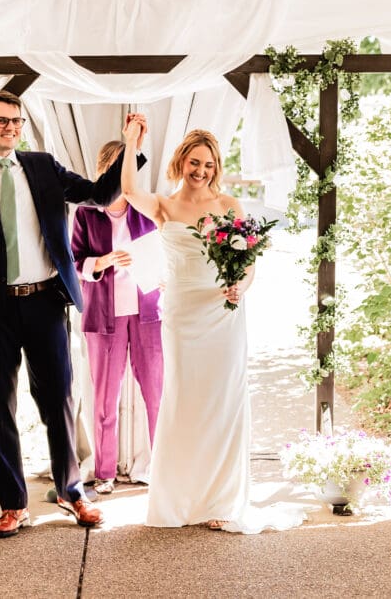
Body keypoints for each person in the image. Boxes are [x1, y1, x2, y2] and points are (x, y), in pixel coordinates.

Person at [0, 90, 139, 537]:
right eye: (1, 120)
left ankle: (71, 491)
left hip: (46, 301)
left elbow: (101, 193)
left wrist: (131, 146)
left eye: (16, 121)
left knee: (59, 398)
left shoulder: (43, 166)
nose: (10, 128)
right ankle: (13, 504)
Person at [120, 119, 302, 533]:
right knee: (184, 400)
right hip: (182, 313)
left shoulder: (229, 206)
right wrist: (131, 143)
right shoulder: (165, 206)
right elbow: (129, 190)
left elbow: (249, 262)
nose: (200, 170)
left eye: (208, 164)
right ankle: (179, 500)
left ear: (216, 167)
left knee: (223, 403)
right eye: (194, 162)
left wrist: (242, 285)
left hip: (223, 313)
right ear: (181, 161)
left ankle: (222, 500)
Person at [70, 140, 163, 495]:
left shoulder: (148, 211)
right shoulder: (85, 214)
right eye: (112, 170)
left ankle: (161, 465)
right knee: (105, 400)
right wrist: (106, 261)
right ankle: (105, 471)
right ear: (102, 173)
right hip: (102, 318)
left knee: (156, 395)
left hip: (147, 313)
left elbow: (164, 257)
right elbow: (74, 262)